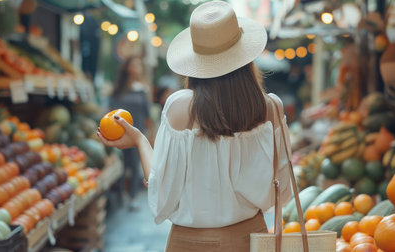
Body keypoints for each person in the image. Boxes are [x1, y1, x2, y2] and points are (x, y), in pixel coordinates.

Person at [98, 1, 292, 251]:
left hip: (188, 243)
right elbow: (282, 190)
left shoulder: (180, 108)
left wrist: (139, 141)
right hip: (250, 241)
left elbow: (161, 192)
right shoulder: (271, 108)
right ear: (245, 57)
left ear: (196, 60)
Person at [109, 55, 156, 211]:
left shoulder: (142, 89)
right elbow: (111, 110)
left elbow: (147, 112)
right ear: (127, 68)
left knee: (135, 166)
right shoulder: (118, 88)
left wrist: (151, 132)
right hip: (119, 132)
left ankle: (133, 197)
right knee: (122, 164)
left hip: (138, 131)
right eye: (134, 65)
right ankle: (121, 193)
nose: (138, 68)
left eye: (139, 65)